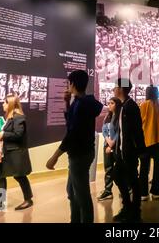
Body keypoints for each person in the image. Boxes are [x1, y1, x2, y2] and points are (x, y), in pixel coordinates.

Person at [46, 70, 103, 223]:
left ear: (72, 83)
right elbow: (72, 124)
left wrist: (55, 156)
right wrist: (67, 102)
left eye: (68, 83)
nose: (68, 86)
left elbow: (72, 133)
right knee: (72, 191)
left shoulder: (81, 105)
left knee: (82, 194)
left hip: (80, 154)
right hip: (82, 152)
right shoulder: (81, 102)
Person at [0, 93, 34, 212]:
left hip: (16, 153)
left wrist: (3, 134)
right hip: (6, 153)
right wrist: (0, 135)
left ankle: (28, 199)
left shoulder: (18, 117)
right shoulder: (9, 117)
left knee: (20, 176)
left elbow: (18, 134)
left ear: (11, 104)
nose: (3, 104)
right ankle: (0, 204)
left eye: (5, 102)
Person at [112, 78, 146, 223]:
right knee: (118, 176)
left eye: (116, 86)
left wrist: (140, 150)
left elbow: (137, 130)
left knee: (133, 180)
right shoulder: (122, 106)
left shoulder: (131, 107)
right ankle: (128, 207)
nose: (114, 89)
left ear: (121, 88)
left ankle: (135, 211)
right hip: (122, 152)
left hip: (130, 152)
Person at [139, 85, 159, 201]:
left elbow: (139, 124)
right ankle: (157, 192)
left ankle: (143, 193)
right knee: (157, 167)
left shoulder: (143, 105)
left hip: (145, 141)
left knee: (143, 168)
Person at [97, 97, 122, 201]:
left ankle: (126, 189)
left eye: (112, 103)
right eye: (109, 103)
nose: (110, 105)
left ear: (117, 104)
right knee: (108, 169)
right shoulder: (108, 116)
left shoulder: (120, 117)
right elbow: (103, 130)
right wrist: (108, 141)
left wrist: (112, 144)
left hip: (116, 147)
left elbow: (119, 132)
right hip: (107, 145)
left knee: (120, 169)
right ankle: (108, 191)